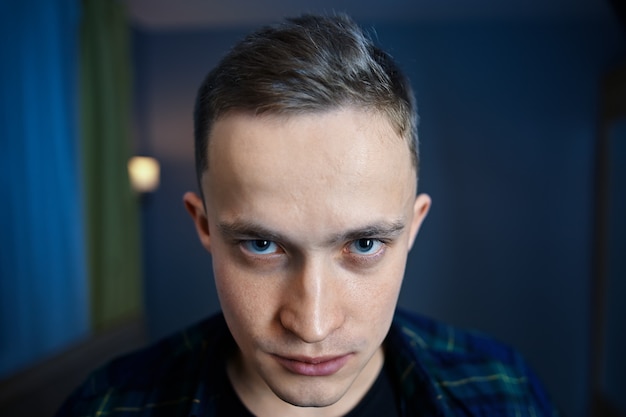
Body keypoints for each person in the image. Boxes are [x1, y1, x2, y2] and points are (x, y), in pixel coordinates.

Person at [57, 14, 559, 417]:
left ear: (413, 228)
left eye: (363, 245)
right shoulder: (106, 406)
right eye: (261, 244)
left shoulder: (502, 391)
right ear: (204, 225)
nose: (313, 326)